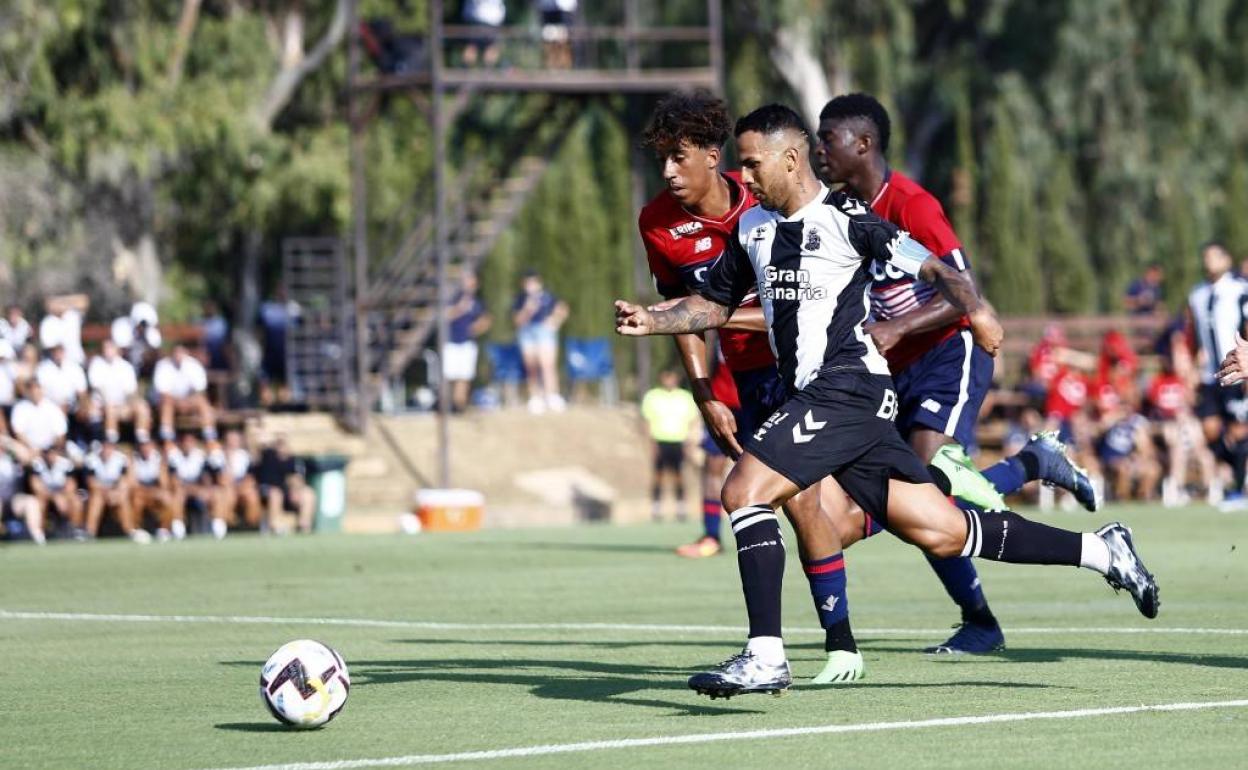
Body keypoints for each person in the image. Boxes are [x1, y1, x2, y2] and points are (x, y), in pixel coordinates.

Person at [615, 104, 1158, 698]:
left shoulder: (850, 220)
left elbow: (940, 271)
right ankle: (1102, 551)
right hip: (832, 401)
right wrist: (655, 319)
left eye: (751, 165)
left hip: (848, 387)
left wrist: (977, 311)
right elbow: (713, 305)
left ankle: (765, 656)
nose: (743, 179)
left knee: (744, 491)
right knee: (944, 531)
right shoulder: (755, 229)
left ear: (790, 160)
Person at [810, 92, 1097, 654]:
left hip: (949, 351)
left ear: (863, 144)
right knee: (914, 499)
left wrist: (897, 328)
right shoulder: (840, 209)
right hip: (893, 370)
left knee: (921, 484)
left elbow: (963, 291)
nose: (820, 149)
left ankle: (983, 617)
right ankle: (1031, 467)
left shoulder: (912, 204)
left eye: (828, 138)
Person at [637, 91, 864, 681]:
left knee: (812, 504)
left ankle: (830, 642)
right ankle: (803, 648)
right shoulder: (657, 223)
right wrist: (704, 393)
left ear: (713, 157)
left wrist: (716, 316)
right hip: (742, 379)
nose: (668, 172)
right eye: (661, 160)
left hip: (809, 367)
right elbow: (683, 311)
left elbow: (794, 303)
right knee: (784, 500)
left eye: (678, 158)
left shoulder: (765, 200)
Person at [1186, 241, 1248, 508]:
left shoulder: (1240, 289)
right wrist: (1191, 364)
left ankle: (1239, 489)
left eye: (1214, 256)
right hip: (1210, 373)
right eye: (1206, 256)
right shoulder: (1197, 294)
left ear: (1226, 259)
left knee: (1239, 430)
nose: (1208, 261)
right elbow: (1192, 333)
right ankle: (1236, 474)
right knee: (1209, 430)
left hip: (1238, 369)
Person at [640, 369, 701, 521]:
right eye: (666, 377)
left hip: (679, 441)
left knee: (679, 475)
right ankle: (656, 507)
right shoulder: (652, 396)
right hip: (659, 441)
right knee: (658, 475)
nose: (669, 380)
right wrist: (650, 442)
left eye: (671, 377)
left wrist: (690, 442)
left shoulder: (685, 397)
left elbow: (693, 421)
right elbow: (646, 421)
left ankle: (681, 507)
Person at [512, 270, 568, 413]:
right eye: (527, 282)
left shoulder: (548, 296)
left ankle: (552, 396)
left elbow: (563, 309)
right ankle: (535, 397)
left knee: (547, 365)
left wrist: (555, 321)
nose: (530, 285)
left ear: (538, 282)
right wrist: (527, 309)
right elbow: (517, 321)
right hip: (527, 332)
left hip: (544, 331)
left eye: (532, 282)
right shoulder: (520, 299)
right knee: (531, 367)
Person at [83, 441, 150, 543]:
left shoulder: (121, 459)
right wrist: (107, 493)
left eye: (109, 447)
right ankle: (90, 532)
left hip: (116, 493)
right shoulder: (91, 459)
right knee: (96, 498)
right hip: (100, 493)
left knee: (122, 498)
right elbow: (91, 483)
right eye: (104, 446)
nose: (107, 450)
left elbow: (124, 481)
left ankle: (130, 531)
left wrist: (115, 493)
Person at [88, 339, 151, 444]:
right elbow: (97, 388)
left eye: (110, 348)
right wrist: (110, 403)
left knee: (142, 407)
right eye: (105, 348)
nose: (108, 350)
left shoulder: (126, 367)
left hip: (123, 404)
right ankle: (110, 442)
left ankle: (142, 441)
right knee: (110, 409)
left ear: (117, 350)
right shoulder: (96, 364)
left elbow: (131, 391)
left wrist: (129, 405)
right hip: (102, 404)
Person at [445, 272, 491, 412]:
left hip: (468, 343)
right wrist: (460, 308)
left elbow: (487, 320)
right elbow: (445, 316)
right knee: (449, 376)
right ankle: (448, 404)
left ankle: (459, 405)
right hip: (451, 341)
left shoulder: (478, 302)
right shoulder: (452, 298)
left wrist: (476, 328)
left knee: (464, 376)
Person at [153, 345, 217, 441]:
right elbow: (162, 391)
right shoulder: (163, 365)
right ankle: (166, 435)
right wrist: (179, 402)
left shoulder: (194, 365)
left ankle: (209, 433)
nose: (178, 356)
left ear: (186, 353)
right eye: (176, 353)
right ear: (172, 353)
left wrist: (186, 402)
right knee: (166, 402)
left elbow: (200, 390)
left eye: (181, 353)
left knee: (202, 401)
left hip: (189, 401)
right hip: (170, 400)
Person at [167, 433, 225, 539]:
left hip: (199, 489)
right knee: (177, 494)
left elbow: (206, 479)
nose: (187, 444)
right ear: (180, 443)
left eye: (190, 442)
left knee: (216, 493)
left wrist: (202, 489)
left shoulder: (200, 456)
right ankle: (178, 529)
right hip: (183, 490)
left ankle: (218, 527)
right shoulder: (174, 456)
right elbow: (175, 482)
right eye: (185, 442)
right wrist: (191, 489)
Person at [255, 436, 316, 534]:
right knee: (275, 494)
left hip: (290, 493)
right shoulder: (268, 459)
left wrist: (295, 490)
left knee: (308, 493)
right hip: (271, 493)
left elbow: (298, 479)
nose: (281, 448)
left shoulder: (294, 461)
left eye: (283, 445)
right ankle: (275, 525)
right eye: (278, 445)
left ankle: (304, 525)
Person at [131, 437, 184, 541]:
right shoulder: (133, 460)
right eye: (142, 445)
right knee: (137, 499)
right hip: (140, 494)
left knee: (167, 497)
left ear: (153, 446)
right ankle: (137, 530)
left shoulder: (159, 459)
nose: (145, 448)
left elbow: (163, 484)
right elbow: (133, 485)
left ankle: (164, 529)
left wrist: (152, 491)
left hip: (155, 493)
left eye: (148, 445)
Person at [209, 430, 262, 531]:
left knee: (252, 495)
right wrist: (228, 460)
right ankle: (222, 524)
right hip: (223, 487)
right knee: (225, 493)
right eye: (230, 440)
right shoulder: (217, 455)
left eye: (235, 440)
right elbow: (219, 477)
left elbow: (250, 478)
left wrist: (240, 486)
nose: (233, 443)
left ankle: (252, 525)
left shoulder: (245, 456)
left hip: (241, 487)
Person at [29, 447, 83, 540]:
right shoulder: (37, 464)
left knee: (76, 501)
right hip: (45, 496)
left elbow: (71, 486)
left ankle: (75, 530)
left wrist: (61, 496)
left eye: (52, 453)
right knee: (39, 503)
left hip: (63, 495)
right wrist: (54, 496)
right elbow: (36, 487)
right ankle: (40, 534)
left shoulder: (65, 464)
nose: (50, 456)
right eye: (48, 453)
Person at [9, 379, 68, 453]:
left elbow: (61, 434)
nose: (35, 392)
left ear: (42, 390)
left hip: (50, 450)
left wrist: (53, 450)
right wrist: (32, 449)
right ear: (27, 391)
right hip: (29, 450)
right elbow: (18, 433)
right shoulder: (20, 407)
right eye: (31, 389)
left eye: (37, 388)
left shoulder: (53, 407)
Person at [39, 293, 88, 365]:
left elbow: (84, 301)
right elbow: (48, 345)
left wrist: (64, 301)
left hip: (77, 360)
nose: (60, 305)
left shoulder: (72, 316)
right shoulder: (48, 322)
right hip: (57, 363)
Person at [461, 0, 504, 68]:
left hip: (488, 20)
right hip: (483, 19)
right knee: (474, 47)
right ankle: (467, 70)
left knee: (489, 47)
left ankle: (467, 70)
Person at [538, 0, 576, 69]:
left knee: (563, 44)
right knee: (550, 44)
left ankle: (564, 66)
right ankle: (551, 66)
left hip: (563, 12)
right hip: (548, 13)